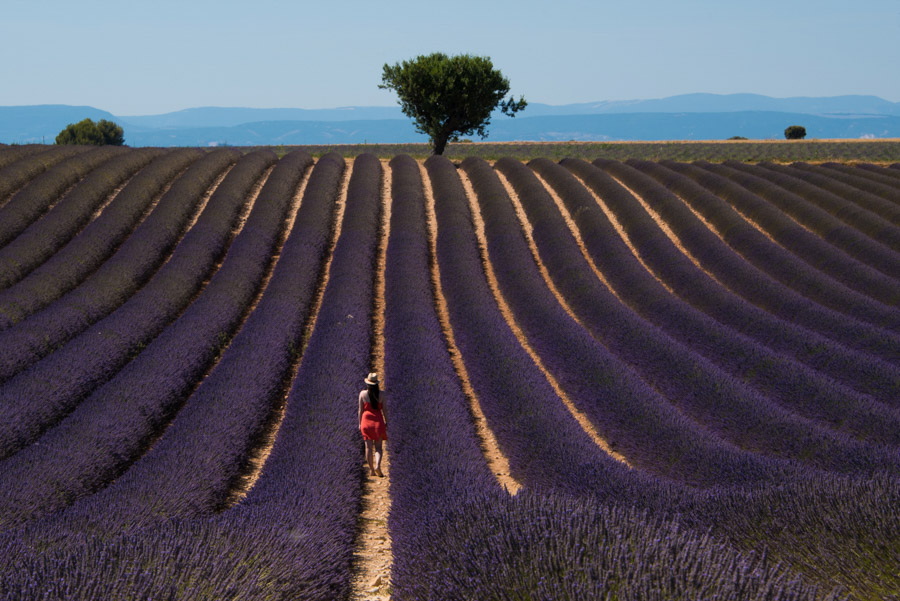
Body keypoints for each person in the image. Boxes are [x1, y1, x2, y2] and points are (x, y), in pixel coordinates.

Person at [358, 372, 387, 477]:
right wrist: (386, 421)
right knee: (378, 447)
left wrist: (359, 423)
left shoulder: (362, 394)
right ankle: (378, 465)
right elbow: (385, 410)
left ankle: (371, 470)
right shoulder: (382, 394)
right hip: (378, 422)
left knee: (368, 448)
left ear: (368, 384)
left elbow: (360, 411)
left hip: (366, 422)